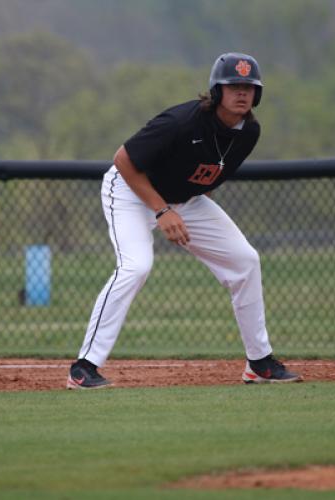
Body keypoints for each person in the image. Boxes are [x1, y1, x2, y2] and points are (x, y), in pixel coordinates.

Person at [67, 52, 302, 389]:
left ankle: (259, 363)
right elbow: (123, 160)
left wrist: (184, 213)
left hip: (185, 201)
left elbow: (205, 178)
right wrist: (163, 211)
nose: (242, 92)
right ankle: (84, 367)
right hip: (130, 190)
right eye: (233, 85)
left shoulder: (248, 132)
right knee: (136, 267)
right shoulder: (181, 122)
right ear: (216, 91)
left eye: (249, 87)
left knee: (246, 261)